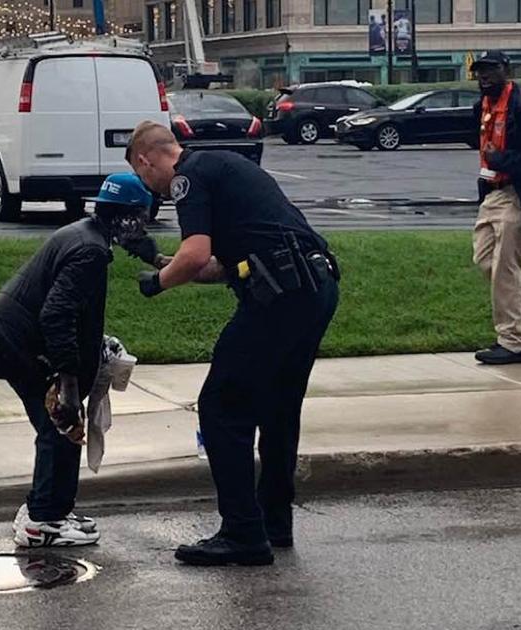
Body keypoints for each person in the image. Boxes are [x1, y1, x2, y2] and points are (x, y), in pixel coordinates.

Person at [125, 122, 340, 566]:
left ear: (146, 160)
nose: (152, 190)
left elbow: (196, 255)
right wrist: (159, 261)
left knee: (222, 407)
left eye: (143, 177)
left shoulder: (186, 177)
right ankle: (273, 524)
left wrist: (156, 285)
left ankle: (242, 533)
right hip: (313, 287)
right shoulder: (223, 164)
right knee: (279, 409)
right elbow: (219, 266)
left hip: (280, 297)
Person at [0, 172, 161, 547]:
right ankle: (41, 521)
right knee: (59, 425)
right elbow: (56, 315)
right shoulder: (91, 251)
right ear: (125, 216)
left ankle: (54, 511)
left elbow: (71, 308)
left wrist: (155, 256)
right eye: (140, 216)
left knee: (63, 428)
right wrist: (68, 380)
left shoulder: (87, 232)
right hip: (20, 341)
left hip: (13, 332)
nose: (143, 224)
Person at [470, 50, 521, 365]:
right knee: (484, 259)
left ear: (506, 70)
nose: (484, 76)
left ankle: (512, 343)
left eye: (491, 70)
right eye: (480, 71)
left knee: (505, 268)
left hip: (519, 194)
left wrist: (501, 160)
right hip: (492, 193)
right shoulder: (481, 106)